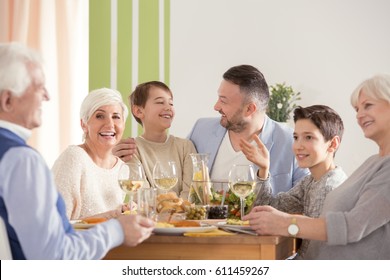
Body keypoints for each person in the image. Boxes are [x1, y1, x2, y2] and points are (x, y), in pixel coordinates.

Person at [0, 42, 154, 259]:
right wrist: (117, 230)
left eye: (115, 116)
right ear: (7, 100)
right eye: (37, 86)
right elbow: (54, 256)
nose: (47, 96)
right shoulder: (20, 159)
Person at [243, 74, 390, 260]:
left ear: (333, 144)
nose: (359, 115)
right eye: (357, 109)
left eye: (368, 105)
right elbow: (271, 207)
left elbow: (352, 228)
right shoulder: (373, 162)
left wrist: (285, 223)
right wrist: (264, 170)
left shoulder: (340, 181)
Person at [240, 105, 347, 258]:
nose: (298, 146)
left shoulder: (329, 187)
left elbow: (317, 255)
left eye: (308, 137)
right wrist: (264, 168)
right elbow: (268, 206)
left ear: (333, 144)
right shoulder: (311, 181)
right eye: (296, 137)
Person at [187, 65, 309, 193]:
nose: (216, 107)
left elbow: (305, 198)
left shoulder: (291, 141)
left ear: (250, 109)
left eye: (223, 101)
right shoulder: (200, 130)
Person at [52, 88, 128, 220]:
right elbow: (56, 224)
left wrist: (123, 211)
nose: (110, 124)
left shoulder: (122, 168)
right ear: (84, 124)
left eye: (116, 117)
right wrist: (111, 215)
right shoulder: (74, 158)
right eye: (99, 116)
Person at [125, 81, 196, 199]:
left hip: (184, 215)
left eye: (171, 103)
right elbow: (142, 196)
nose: (168, 107)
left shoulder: (185, 146)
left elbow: (191, 192)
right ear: (138, 111)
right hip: (150, 216)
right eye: (160, 102)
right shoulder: (132, 149)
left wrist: (179, 212)